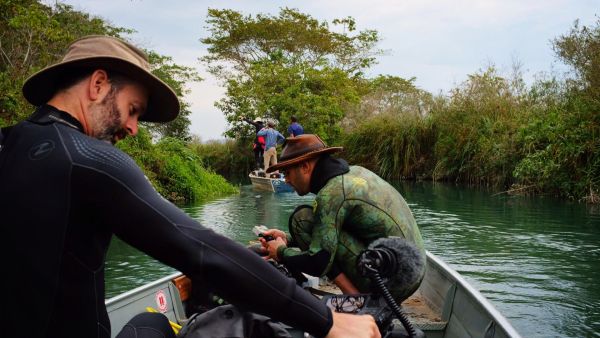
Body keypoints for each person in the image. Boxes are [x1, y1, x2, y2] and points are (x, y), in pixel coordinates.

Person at [0, 36, 380, 338]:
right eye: (133, 109)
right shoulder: (88, 159)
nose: (132, 129)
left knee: (154, 325)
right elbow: (202, 250)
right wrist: (327, 321)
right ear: (98, 84)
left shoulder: (9, 143)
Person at [259, 134, 426, 302]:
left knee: (302, 220)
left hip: (391, 283)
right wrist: (287, 240)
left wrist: (280, 252)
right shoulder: (355, 173)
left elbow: (318, 263)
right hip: (412, 271)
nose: (286, 180)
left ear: (305, 166)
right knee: (312, 223)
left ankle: (355, 299)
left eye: (287, 173)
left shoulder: (332, 193)